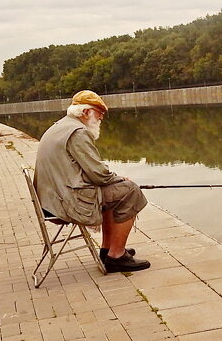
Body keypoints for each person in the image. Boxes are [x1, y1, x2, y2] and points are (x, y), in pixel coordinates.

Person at [34, 90, 151, 273]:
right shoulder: (78, 132)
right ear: (86, 112)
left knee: (117, 190)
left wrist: (114, 180)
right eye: (99, 113)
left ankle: (107, 251)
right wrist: (121, 179)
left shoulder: (61, 126)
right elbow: (99, 175)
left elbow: (89, 171)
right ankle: (116, 257)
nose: (101, 118)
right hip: (67, 202)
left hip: (53, 199)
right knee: (131, 191)